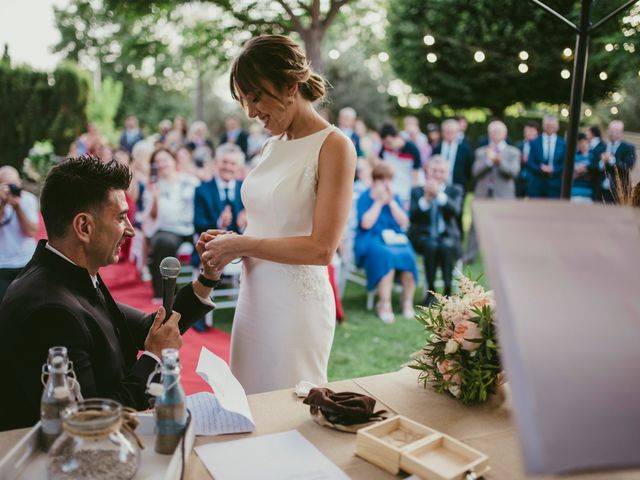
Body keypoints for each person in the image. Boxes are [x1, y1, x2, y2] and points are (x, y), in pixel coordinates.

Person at [0, 157, 217, 431]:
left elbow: (154, 329)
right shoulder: (50, 311)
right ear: (84, 227)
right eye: (120, 217)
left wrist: (208, 276)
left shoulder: (70, 271)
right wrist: (154, 359)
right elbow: (90, 422)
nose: (129, 231)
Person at [201, 35, 356, 394]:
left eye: (256, 97)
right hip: (254, 298)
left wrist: (243, 244)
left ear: (290, 84)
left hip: (295, 308)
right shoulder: (271, 146)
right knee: (249, 405)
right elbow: (267, 221)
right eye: (244, 101)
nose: (251, 112)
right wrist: (229, 242)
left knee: (288, 410)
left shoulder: (334, 146)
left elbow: (321, 249)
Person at [354, 162, 418, 323]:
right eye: (382, 180)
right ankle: (384, 304)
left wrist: (391, 203)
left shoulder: (394, 197)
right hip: (371, 238)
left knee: (408, 255)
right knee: (385, 256)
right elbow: (365, 224)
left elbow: (404, 222)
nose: (386, 184)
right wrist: (379, 203)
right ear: (375, 181)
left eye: (389, 180)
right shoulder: (365, 197)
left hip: (394, 239)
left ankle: (407, 302)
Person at [144, 148, 200, 301]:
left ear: (173, 160)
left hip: (193, 228)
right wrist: (155, 198)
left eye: (165, 159)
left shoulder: (190, 181)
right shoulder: (153, 186)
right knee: (162, 242)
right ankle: (166, 294)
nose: (162, 164)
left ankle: (201, 292)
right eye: (157, 162)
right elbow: (151, 216)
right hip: (168, 230)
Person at [408, 157, 463, 306]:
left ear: (447, 173)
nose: (437, 175)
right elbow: (412, 217)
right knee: (431, 245)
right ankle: (430, 291)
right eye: (434, 171)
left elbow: (455, 212)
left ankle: (447, 290)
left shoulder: (455, 189)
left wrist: (438, 194)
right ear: (427, 171)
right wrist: (426, 199)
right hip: (423, 237)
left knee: (445, 245)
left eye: (441, 171)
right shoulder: (417, 191)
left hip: (448, 236)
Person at [465, 121, 520, 263]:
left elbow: (513, 172)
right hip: (483, 194)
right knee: (475, 226)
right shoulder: (481, 151)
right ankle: (469, 256)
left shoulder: (513, 152)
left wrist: (499, 161)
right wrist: (488, 162)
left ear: (505, 134)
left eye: (498, 132)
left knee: (505, 225)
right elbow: (475, 172)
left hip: (503, 195)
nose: (495, 135)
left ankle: (504, 256)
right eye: (493, 132)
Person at [0, 167, 39, 301]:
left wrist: (18, 208)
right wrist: (2, 205)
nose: (12, 189)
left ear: (20, 183)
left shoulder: (28, 199)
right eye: (7, 186)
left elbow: (31, 231)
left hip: (26, 262)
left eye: (14, 185)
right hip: (3, 265)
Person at [194, 143, 247, 236]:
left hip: (241, 246)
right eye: (224, 162)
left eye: (233, 164)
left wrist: (244, 224)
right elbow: (198, 225)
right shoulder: (202, 190)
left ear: (239, 167)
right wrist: (219, 224)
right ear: (216, 163)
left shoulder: (246, 189)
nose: (228, 167)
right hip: (211, 245)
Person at [379, 123, 421, 204]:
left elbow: (416, 175)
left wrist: (412, 196)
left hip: (406, 192)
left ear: (397, 136)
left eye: (389, 142)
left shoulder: (413, 149)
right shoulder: (384, 149)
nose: (386, 146)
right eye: (384, 143)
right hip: (390, 191)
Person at [526, 115, 566, 198]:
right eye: (548, 126)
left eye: (553, 126)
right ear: (544, 126)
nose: (550, 128)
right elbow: (530, 161)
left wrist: (554, 169)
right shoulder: (534, 142)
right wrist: (540, 168)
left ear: (557, 127)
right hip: (537, 183)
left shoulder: (563, 143)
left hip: (554, 183)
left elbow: (565, 163)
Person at [597, 120, 636, 203]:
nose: (613, 133)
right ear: (608, 131)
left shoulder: (628, 148)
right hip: (600, 189)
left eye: (617, 131)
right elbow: (593, 166)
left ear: (621, 133)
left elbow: (628, 167)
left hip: (619, 190)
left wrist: (612, 160)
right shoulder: (601, 146)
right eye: (611, 131)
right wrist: (602, 162)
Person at [515, 121, 540, 198]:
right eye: (527, 131)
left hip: (534, 180)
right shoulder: (517, 145)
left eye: (532, 131)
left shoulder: (540, 147)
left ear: (537, 133)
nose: (529, 133)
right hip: (519, 180)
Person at [572, 133, 596, 202]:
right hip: (575, 192)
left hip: (589, 193)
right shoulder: (574, 156)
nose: (582, 145)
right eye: (579, 143)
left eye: (584, 143)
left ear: (588, 142)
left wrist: (586, 169)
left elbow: (593, 172)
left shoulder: (593, 156)